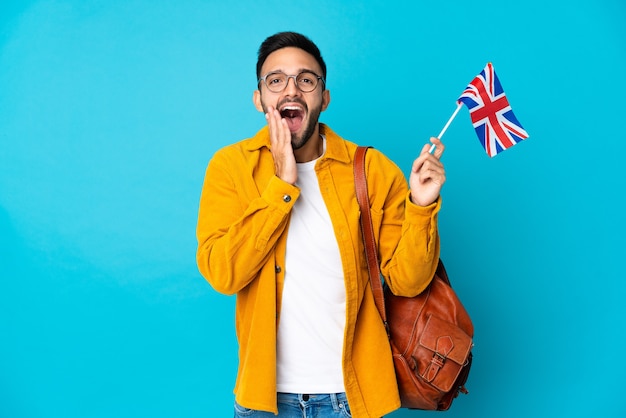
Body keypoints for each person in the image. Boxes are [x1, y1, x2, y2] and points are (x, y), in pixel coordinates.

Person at [196, 31, 446, 418]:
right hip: (265, 402)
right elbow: (223, 273)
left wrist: (421, 206)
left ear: (324, 98)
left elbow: (408, 282)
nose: (291, 90)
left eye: (306, 79)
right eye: (275, 80)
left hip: (352, 398)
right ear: (259, 98)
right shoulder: (231, 167)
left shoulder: (372, 170)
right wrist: (281, 185)